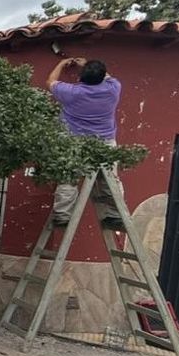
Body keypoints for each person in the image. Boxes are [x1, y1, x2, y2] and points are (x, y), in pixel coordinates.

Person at [45, 57, 123, 229]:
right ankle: (114, 215)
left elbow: (50, 82)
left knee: (68, 178)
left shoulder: (72, 92)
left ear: (80, 77)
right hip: (105, 142)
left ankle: (62, 215)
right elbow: (108, 77)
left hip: (74, 142)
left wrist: (61, 63)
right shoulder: (113, 89)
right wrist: (88, 64)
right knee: (109, 180)